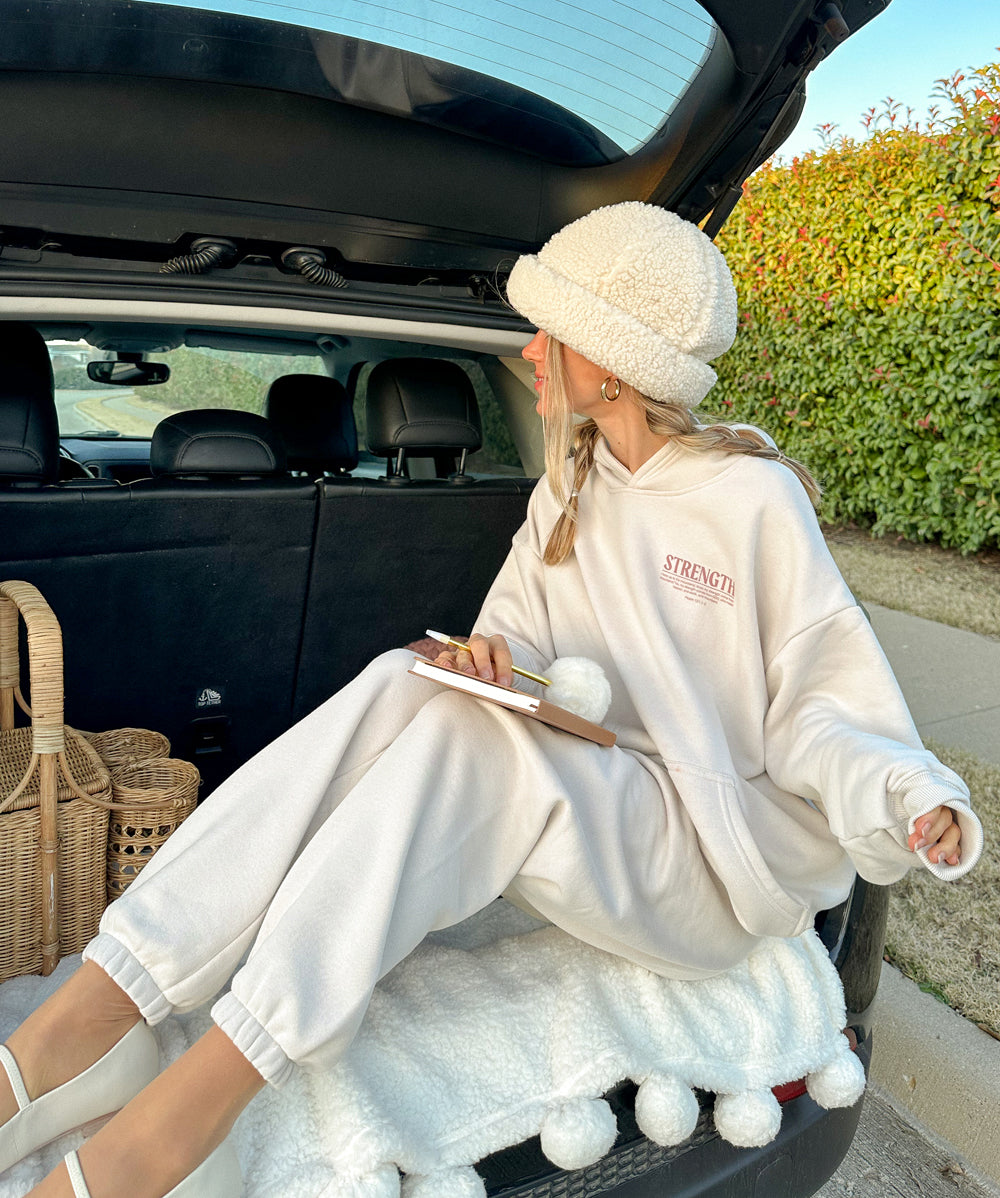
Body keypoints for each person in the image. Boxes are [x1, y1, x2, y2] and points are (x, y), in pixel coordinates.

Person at [0, 202, 983, 1198]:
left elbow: (822, 694)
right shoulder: (566, 489)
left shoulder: (745, 500)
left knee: (477, 744)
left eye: (549, 329)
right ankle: (100, 1006)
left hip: (704, 869)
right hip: (604, 803)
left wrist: (909, 793)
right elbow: (532, 662)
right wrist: (490, 663)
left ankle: (196, 1103)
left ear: (608, 361)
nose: (527, 347)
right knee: (403, 679)